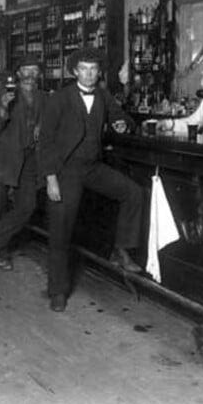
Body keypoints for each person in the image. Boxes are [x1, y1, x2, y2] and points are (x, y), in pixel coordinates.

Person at [39, 47, 144, 312]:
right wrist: (51, 179)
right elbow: (46, 142)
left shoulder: (103, 95)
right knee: (61, 231)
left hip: (92, 167)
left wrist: (121, 123)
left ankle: (121, 249)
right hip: (65, 171)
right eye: (84, 69)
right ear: (75, 71)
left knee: (133, 192)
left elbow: (122, 117)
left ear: (99, 72)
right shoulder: (59, 98)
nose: (89, 74)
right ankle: (57, 291)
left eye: (94, 69)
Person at [0, 56, 46, 271]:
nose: (30, 75)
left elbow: (49, 122)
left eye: (35, 71)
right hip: (3, 159)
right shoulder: (3, 94)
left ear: (39, 75)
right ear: (18, 74)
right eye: (26, 70)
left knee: (27, 206)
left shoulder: (44, 98)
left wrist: (42, 126)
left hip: (29, 159)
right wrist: (3, 109)